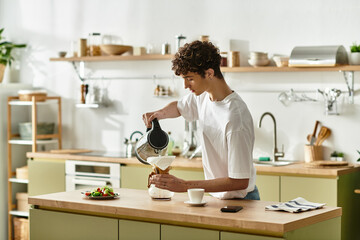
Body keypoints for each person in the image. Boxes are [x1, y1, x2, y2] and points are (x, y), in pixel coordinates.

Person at [143, 40, 259, 200]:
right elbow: (179, 107)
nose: (185, 85)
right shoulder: (203, 96)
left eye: (189, 79)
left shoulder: (235, 117)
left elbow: (239, 181)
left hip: (241, 201)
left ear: (210, 73)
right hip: (217, 198)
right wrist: (159, 114)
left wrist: (185, 186)